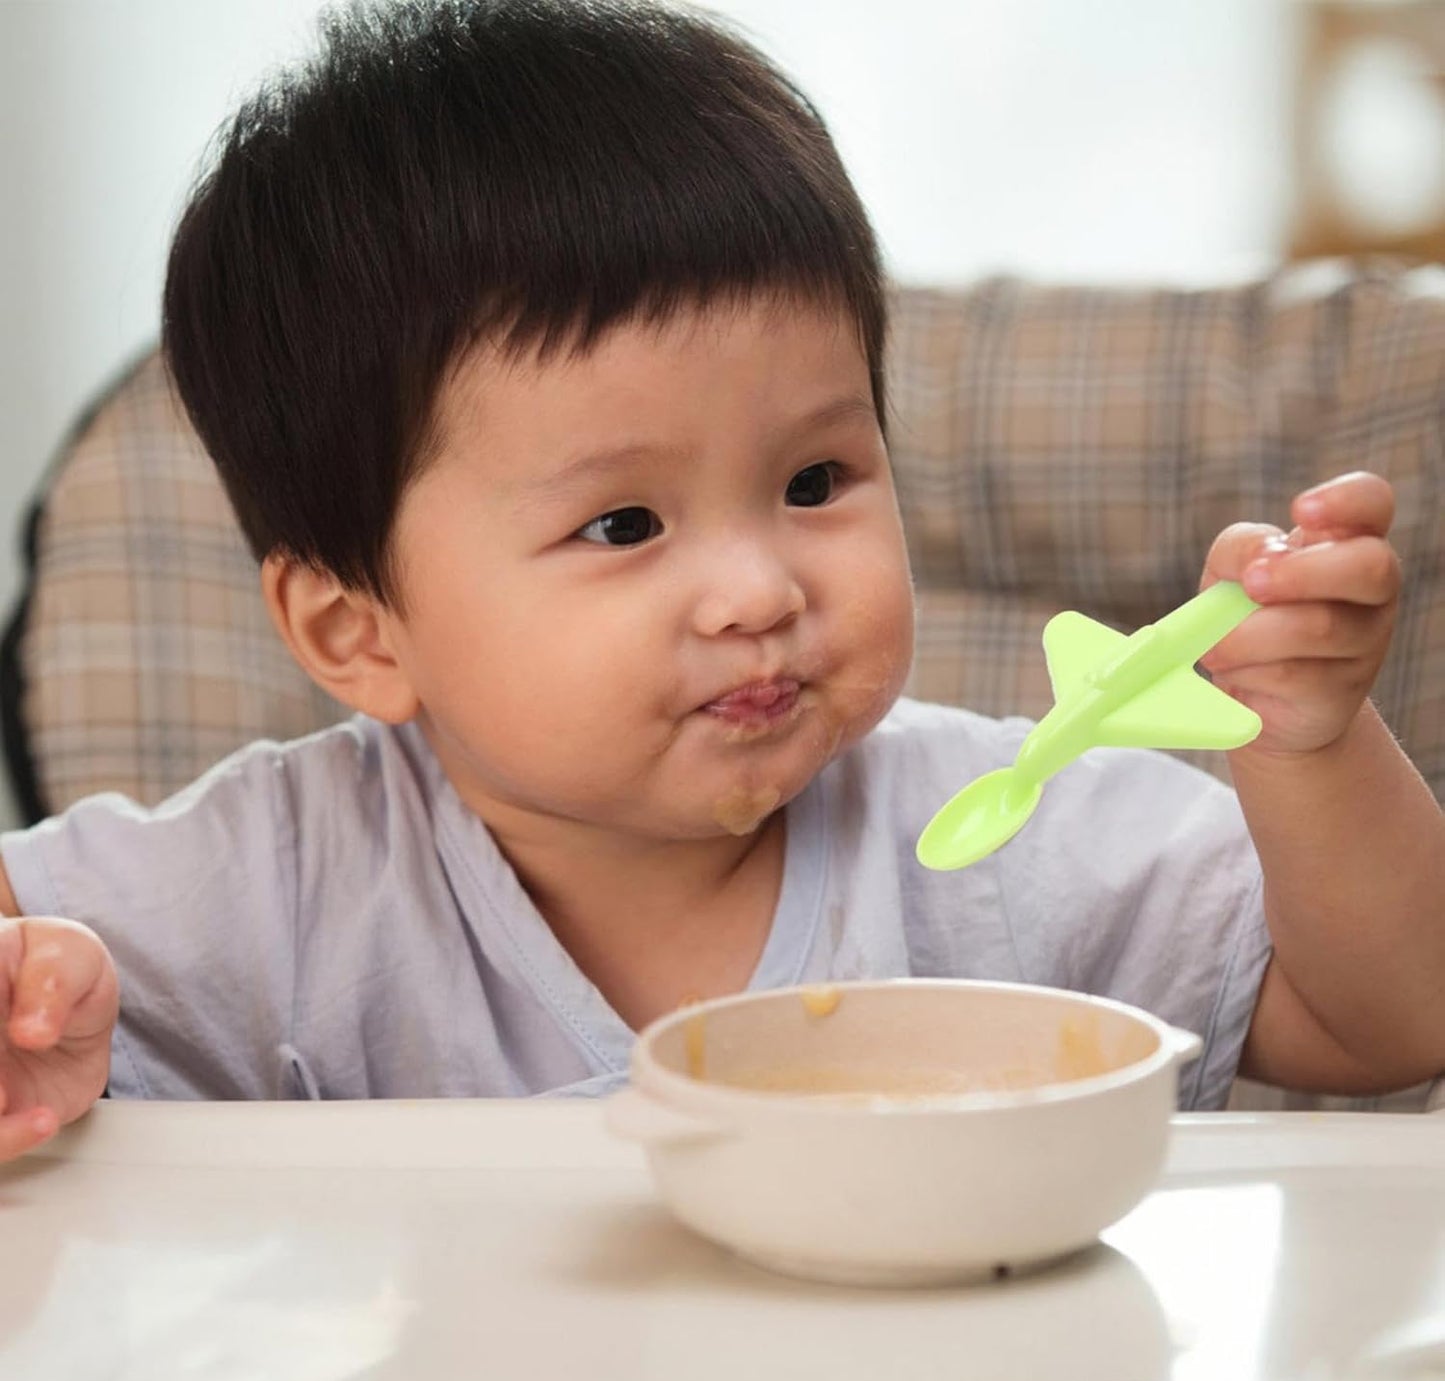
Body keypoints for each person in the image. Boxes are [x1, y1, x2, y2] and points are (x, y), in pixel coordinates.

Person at [0, 0, 1441, 1164]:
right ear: (355, 629)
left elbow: (1394, 1017)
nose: (756, 588)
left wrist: (1310, 746)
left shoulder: (1008, 842)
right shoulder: (278, 887)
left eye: (814, 483)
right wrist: (33, 1019)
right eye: (624, 523)